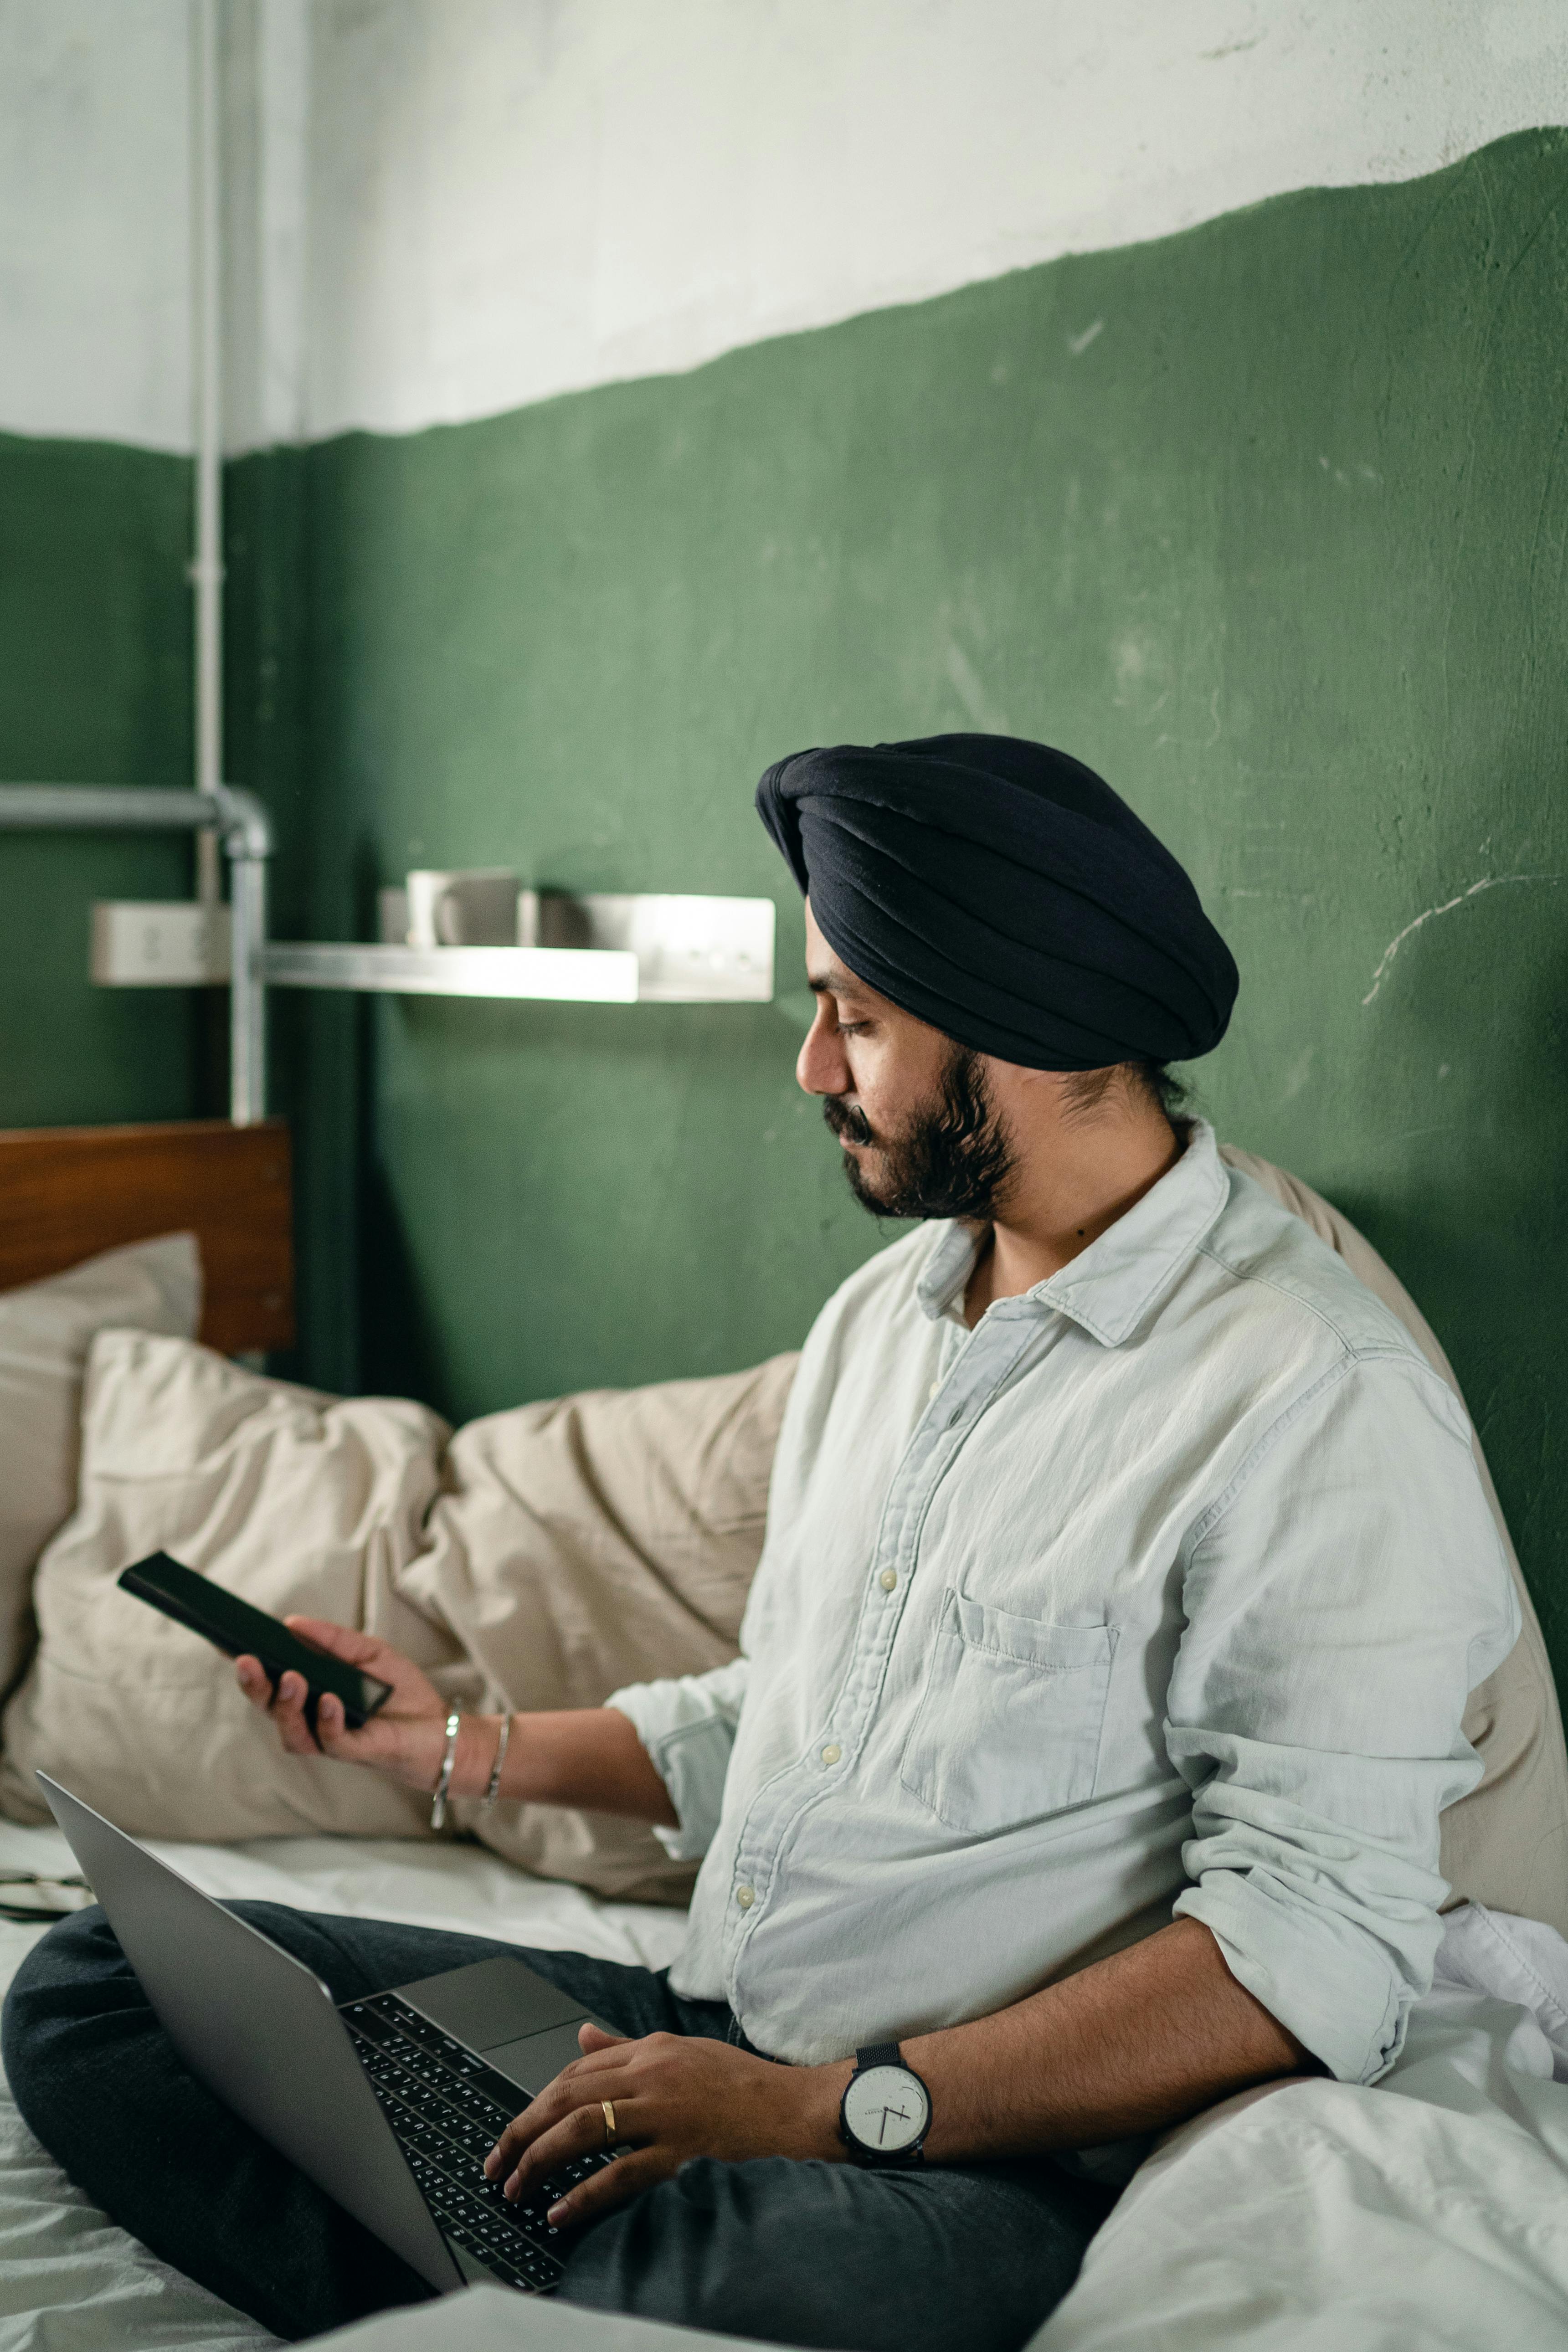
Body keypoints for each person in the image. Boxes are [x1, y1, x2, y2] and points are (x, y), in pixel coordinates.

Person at [5, 735, 1518, 2352]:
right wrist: (444, 1743)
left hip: (961, 2154)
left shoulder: (1311, 1395)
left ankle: (513, 2279)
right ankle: (509, 2278)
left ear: (1016, 1022)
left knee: (699, 2285)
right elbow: (783, 1723)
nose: (811, 1069)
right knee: (99, 1986)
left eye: (855, 1018)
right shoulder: (887, 1318)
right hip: (692, 2038)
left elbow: (1312, 1949)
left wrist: (816, 2109)